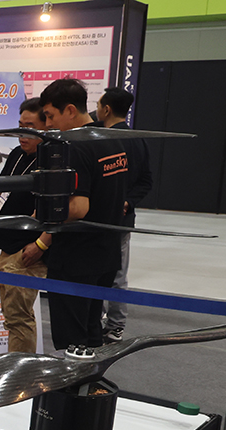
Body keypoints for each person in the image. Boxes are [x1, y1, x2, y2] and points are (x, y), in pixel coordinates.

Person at [24, 79, 127, 351]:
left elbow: (79, 207)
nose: (48, 124)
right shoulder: (111, 139)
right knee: (92, 333)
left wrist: (41, 213)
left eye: (50, 116)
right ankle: (91, 378)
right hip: (106, 252)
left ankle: (74, 380)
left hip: (76, 257)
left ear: (70, 110)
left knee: (72, 340)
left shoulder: (75, 146)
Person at [0, 98, 48, 353]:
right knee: (13, 316)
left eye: (29, 127)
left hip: (27, 250)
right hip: (8, 245)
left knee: (19, 319)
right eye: (20, 126)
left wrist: (39, 245)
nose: (22, 133)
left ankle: (20, 369)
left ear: (45, 128)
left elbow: (60, 212)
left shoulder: (52, 162)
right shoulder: (17, 154)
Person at [96, 87, 152, 343]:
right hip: (120, 220)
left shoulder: (103, 140)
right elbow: (146, 181)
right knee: (117, 274)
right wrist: (128, 201)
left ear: (106, 109)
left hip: (103, 220)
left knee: (105, 273)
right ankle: (112, 325)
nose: (96, 110)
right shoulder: (138, 139)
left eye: (98, 105)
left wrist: (124, 202)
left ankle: (110, 324)